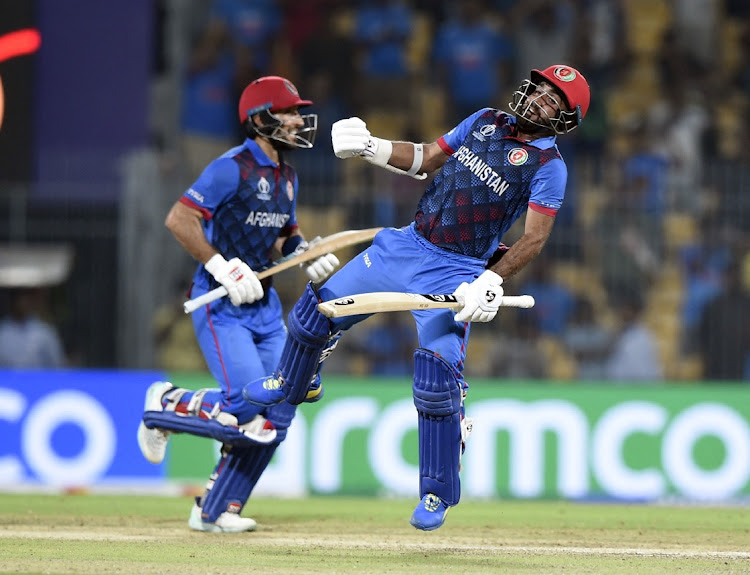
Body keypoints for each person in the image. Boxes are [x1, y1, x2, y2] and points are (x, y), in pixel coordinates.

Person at [244, 64, 590, 530]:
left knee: (436, 382)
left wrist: (491, 281)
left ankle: (436, 494)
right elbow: (428, 158)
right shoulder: (484, 118)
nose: (539, 99)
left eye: (553, 100)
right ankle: (293, 381)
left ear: (566, 119)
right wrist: (372, 147)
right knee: (314, 312)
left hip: (458, 270)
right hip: (406, 244)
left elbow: (534, 238)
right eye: (541, 89)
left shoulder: (549, 167)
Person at [137, 75, 340, 533]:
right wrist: (221, 265)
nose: (296, 120)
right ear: (260, 119)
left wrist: (305, 255)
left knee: (282, 406)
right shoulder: (230, 167)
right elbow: (179, 218)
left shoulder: (287, 177)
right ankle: (166, 403)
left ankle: (215, 509)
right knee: (247, 406)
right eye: (287, 112)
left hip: (265, 309)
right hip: (221, 304)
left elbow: (285, 233)